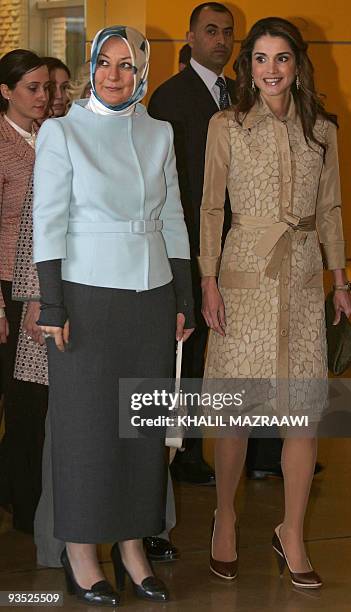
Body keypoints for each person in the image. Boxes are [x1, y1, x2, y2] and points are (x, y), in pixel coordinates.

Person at [33, 25, 194, 606]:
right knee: (85, 430)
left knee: (143, 429)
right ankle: (81, 551)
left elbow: (174, 217)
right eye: (105, 61)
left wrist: (183, 298)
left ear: (142, 72)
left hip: (151, 293)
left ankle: (132, 546)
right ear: (91, 65)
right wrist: (51, 301)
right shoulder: (62, 131)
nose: (114, 74)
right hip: (85, 295)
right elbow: (47, 223)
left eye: (127, 65)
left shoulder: (159, 133)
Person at [199, 17, 351, 586]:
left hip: (302, 275)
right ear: (248, 65)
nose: (271, 69)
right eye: (260, 58)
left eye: (281, 58)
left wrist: (340, 281)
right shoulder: (228, 125)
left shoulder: (324, 130)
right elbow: (211, 209)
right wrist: (208, 281)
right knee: (236, 413)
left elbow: (333, 209)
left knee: (302, 415)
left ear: (297, 64)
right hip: (243, 275)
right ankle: (225, 515)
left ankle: (292, 532)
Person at [149, 1, 235, 486]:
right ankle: (184, 450)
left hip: (239, 242)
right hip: (188, 243)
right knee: (190, 351)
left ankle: (255, 448)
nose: (220, 40)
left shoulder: (240, 94)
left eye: (227, 32)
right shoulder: (170, 97)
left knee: (233, 348)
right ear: (191, 35)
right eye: (210, 31)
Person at [0, 50, 49, 532]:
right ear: (6, 91)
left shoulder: (49, 136)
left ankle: (22, 498)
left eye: (46, 88)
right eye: (32, 88)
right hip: (6, 288)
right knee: (17, 402)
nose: (42, 96)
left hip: (42, 286)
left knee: (31, 403)